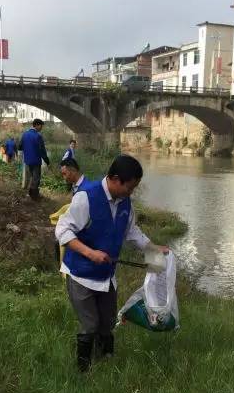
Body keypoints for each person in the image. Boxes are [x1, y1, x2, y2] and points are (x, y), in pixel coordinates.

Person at [55, 155, 169, 372]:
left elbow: (132, 232)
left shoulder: (125, 202)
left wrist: (154, 249)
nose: (131, 192)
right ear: (115, 179)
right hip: (81, 274)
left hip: (106, 276)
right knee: (90, 325)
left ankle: (106, 362)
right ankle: (84, 371)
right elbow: (62, 230)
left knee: (107, 323)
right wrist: (90, 253)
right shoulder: (86, 197)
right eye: (130, 187)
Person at [18, 118, 50, 200]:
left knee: (32, 177)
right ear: (36, 125)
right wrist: (46, 160)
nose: (41, 128)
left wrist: (27, 149)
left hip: (27, 161)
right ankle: (34, 196)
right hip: (36, 160)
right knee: (36, 178)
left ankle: (30, 194)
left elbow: (20, 146)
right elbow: (42, 150)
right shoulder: (38, 136)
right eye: (41, 126)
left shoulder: (25, 134)